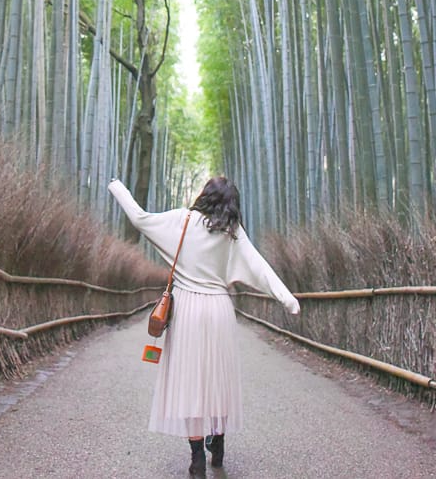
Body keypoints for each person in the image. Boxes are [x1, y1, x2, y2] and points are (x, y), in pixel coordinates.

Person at [108, 176, 300, 476]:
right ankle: (219, 441)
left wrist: (117, 187)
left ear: (204, 195)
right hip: (219, 310)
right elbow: (260, 267)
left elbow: (140, 219)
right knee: (217, 377)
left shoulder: (181, 221)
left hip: (187, 311)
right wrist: (288, 299)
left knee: (190, 382)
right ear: (231, 204)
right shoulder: (232, 231)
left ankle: (197, 457)